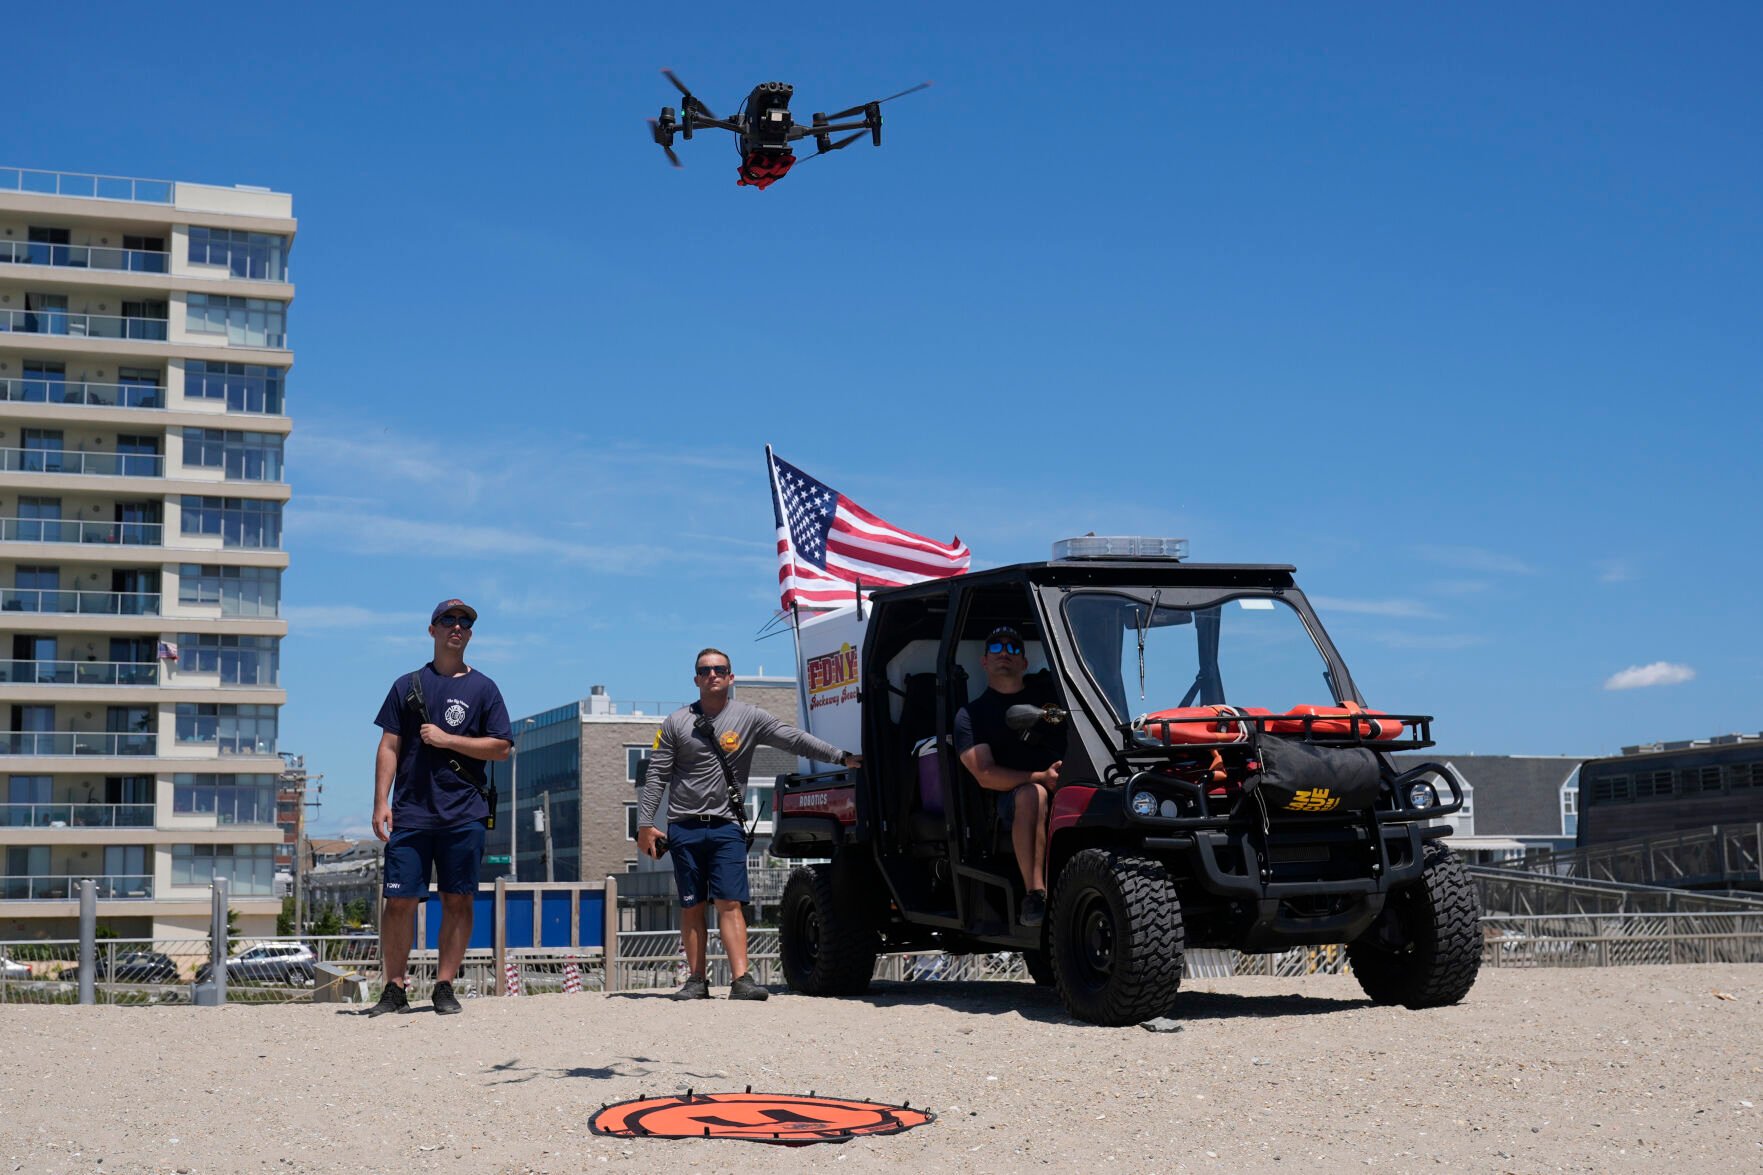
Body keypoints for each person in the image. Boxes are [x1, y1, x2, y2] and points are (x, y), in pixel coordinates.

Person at [637, 647, 861, 1001]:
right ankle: (696, 980)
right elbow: (656, 776)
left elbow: (793, 739)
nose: (712, 675)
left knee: (730, 902)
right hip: (683, 826)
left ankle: (741, 979)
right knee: (692, 905)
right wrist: (645, 824)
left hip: (727, 826)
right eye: (705, 670)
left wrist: (840, 757)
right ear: (696, 679)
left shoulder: (749, 717)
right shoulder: (675, 723)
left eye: (719, 669)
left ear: (730, 677)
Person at [367, 599, 513, 1016]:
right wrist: (381, 801)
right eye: (448, 620)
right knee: (399, 901)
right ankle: (394, 987)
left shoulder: (484, 688)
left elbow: (502, 747)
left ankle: (444, 985)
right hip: (411, 810)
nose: (457, 626)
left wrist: (449, 740)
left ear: (470, 634)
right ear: (431, 630)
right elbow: (389, 745)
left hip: (463, 810)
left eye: (465, 622)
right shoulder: (406, 685)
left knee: (459, 899)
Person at [954, 625, 1064, 927]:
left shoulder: (1050, 702)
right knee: (1034, 794)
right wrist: (1041, 776)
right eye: (996, 648)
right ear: (984, 661)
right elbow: (985, 774)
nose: (1005, 653)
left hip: (1068, 782)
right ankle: (1036, 896)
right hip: (1009, 802)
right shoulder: (971, 715)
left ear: (1024, 663)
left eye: (1014, 649)